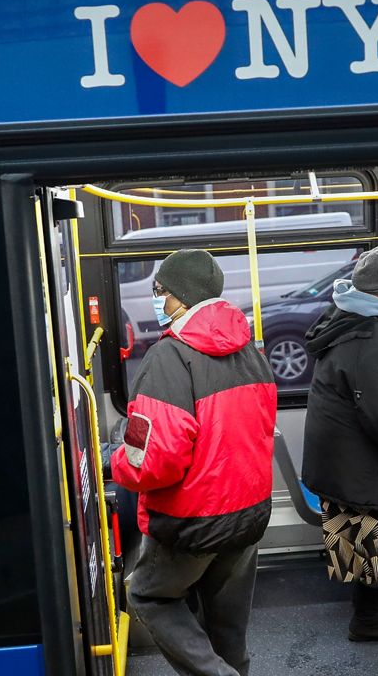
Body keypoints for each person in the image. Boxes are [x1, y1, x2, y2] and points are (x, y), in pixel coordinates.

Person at [111, 248, 277, 676]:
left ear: (181, 297)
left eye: (159, 289)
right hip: (249, 512)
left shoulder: (169, 359)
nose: (156, 297)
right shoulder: (251, 352)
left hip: (193, 519)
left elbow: (152, 461)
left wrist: (115, 463)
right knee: (227, 627)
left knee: (148, 596)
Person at [300, 245, 378, 642]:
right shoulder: (372, 338)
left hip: (337, 451)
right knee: (372, 527)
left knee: (362, 533)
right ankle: (369, 620)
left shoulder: (346, 314)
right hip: (351, 458)